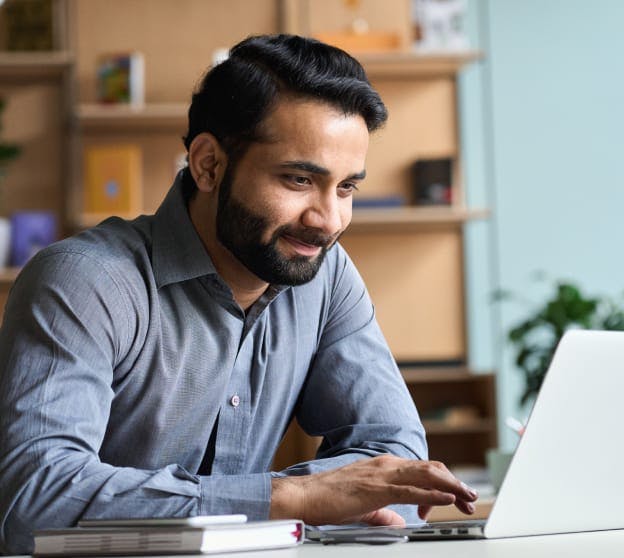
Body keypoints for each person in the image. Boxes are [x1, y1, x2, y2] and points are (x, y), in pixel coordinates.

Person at [0, 34, 477, 554]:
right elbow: (35, 501)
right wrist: (290, 498)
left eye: (346, 188)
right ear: (208, 165)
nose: (328, 221)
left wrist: (310, 499)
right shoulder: (84, 281)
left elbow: (397, 456)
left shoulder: (327, 274)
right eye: (298, 179)